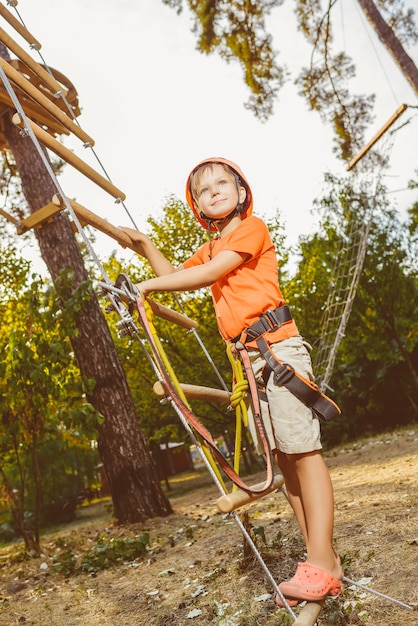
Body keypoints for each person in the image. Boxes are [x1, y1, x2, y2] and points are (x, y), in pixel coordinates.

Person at [119, 157, 343, 606]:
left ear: (241, 192)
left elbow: (205, 274)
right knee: (286, 463)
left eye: (223, 183)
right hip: (252, 362)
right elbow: (178, 276)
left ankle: (321, 562)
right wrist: (145, 245)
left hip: (276, 351)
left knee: (305, 453)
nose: (214, 190)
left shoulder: (250, 228)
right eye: (204, 190)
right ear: (199, 206)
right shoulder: (215, 244)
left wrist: (142, 288)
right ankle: (323, 563)